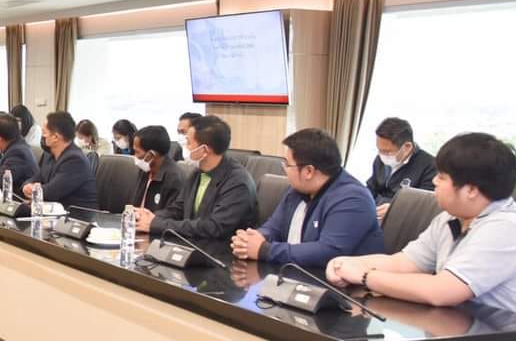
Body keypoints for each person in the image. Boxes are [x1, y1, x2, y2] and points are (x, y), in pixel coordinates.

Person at [327, 133, 516, 341]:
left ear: (471, 190)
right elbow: (404, 262)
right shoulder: (450, 219)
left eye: (442, 177)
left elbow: (442, 292)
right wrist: (348, 263)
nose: (434, 181)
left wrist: (365, 276)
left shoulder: (506, 228)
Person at [231, 128, 384, 268]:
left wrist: (266, 250)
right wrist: (252, 239)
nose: (284, 169)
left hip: (340, 284)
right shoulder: (297, 190)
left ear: (309, 171)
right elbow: (274, 226)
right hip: (295, 275)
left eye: (287, 164)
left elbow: (328, 251)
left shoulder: (353, 199)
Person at [136, 114, 256, 240]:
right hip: (192, 243)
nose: (184, 147)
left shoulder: (238, 183)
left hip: (219, 248)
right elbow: (178, 209)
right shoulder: (198, 172)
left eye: (188, 143)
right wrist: (152, 217)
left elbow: (213, 227)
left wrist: (158, 225)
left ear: (204, 150)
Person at [21, 110, 97, 211]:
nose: (42, 136)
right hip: (51, 211)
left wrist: (34, 189)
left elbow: (51, 192)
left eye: (44, 133)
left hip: (75, 215)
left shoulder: (75, 160)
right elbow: (36, 178)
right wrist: (26, 186)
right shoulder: (49, 155)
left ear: (55, 137)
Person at [366, 117, 437, 222]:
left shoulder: (430, 166)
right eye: (380, 150)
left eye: (388, 152)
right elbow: (372, 186)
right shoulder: (380, 159)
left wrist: (397, 209)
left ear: (407, 147)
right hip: (375, 213)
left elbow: (426, 204)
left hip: (403, 220)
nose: (382, 155)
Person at [130, 125, 183, 214]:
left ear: (150, 155)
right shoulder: (144, 170)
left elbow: (172, 216)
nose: (134, 156)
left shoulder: (175, 179)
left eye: (137, 152)